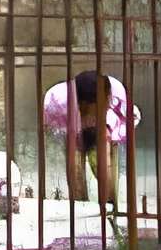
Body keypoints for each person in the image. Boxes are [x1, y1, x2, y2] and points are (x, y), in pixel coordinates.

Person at [42, 67, 132, 208]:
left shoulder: (119, 98)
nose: (94, 117)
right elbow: (50, 127)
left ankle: (109, 207)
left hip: (106, 125)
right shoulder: (56, 101)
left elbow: (126, 123)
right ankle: (80, 208)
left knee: (103, 160)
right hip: (71, 124)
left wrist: (105, 133)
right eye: (92, 112)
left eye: (99, 111)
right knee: (75, 165)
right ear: (80, 104)